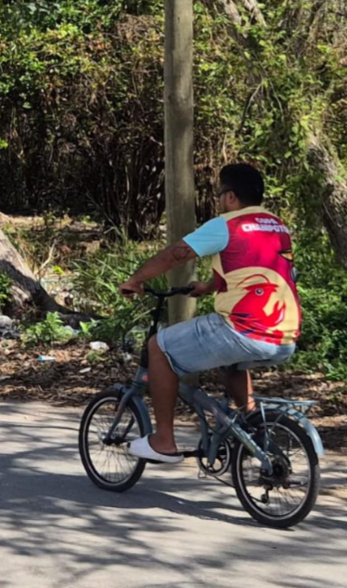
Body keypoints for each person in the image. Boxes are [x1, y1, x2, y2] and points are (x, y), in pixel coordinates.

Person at [119, 163, 301, 463]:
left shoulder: (226, 224)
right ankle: (252, 430)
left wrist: (136, 280)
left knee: (158, 347)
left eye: (219, 195)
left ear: (230, 196)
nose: (218, 201)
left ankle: (163, 441)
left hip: (243, 329)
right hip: (285, 336)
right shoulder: (276, 225)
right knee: (230, 363)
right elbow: (254, 268)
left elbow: (173, 255)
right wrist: (207, 286)